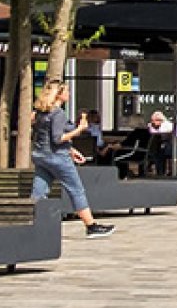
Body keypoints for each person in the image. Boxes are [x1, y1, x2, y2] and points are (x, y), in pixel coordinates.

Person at [27, 84, 115, 238]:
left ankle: (33, 224)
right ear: (58, 95)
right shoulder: (58, 113)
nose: (69, 93)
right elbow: (57, 138)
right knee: (76, 189)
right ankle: (91, 226)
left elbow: (45, 137)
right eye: (66, 91)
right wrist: (79, 129)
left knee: (39, 191)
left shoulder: (41, 112)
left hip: (41, 156)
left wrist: (71, 150)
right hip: (57, 158)